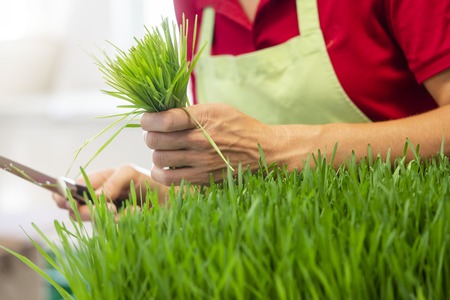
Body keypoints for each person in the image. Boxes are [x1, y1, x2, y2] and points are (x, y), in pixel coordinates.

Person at [54, 0, 450, 219]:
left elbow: (262, 156)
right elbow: (244, 177)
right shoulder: (195, 6)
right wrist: (171, 197)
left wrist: (281, 149)